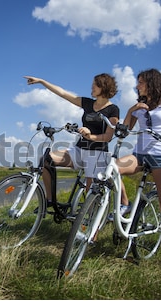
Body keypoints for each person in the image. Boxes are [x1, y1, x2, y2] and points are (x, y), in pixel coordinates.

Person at [117, 68, 161, 271]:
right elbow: (126, 130)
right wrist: (132, 109)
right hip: (139, 154)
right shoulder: (138, 107)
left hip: (160, 155)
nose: (137, 85)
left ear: (152, 83)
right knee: (112, 168)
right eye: (137, 82)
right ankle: (125, 205)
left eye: (141, 82)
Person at [24, 74, 119, 206]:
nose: (92, 87)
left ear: (104, 86)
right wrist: (42, 81)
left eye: (95, 84)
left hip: (97, 154)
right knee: (46, 159)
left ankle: (92, 222)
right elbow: (62, 93)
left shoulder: (113, 109)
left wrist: (91, 136)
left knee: (91, 197)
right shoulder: (87, 103)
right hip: (79, 150)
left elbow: (108, 137)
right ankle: (49, 200)